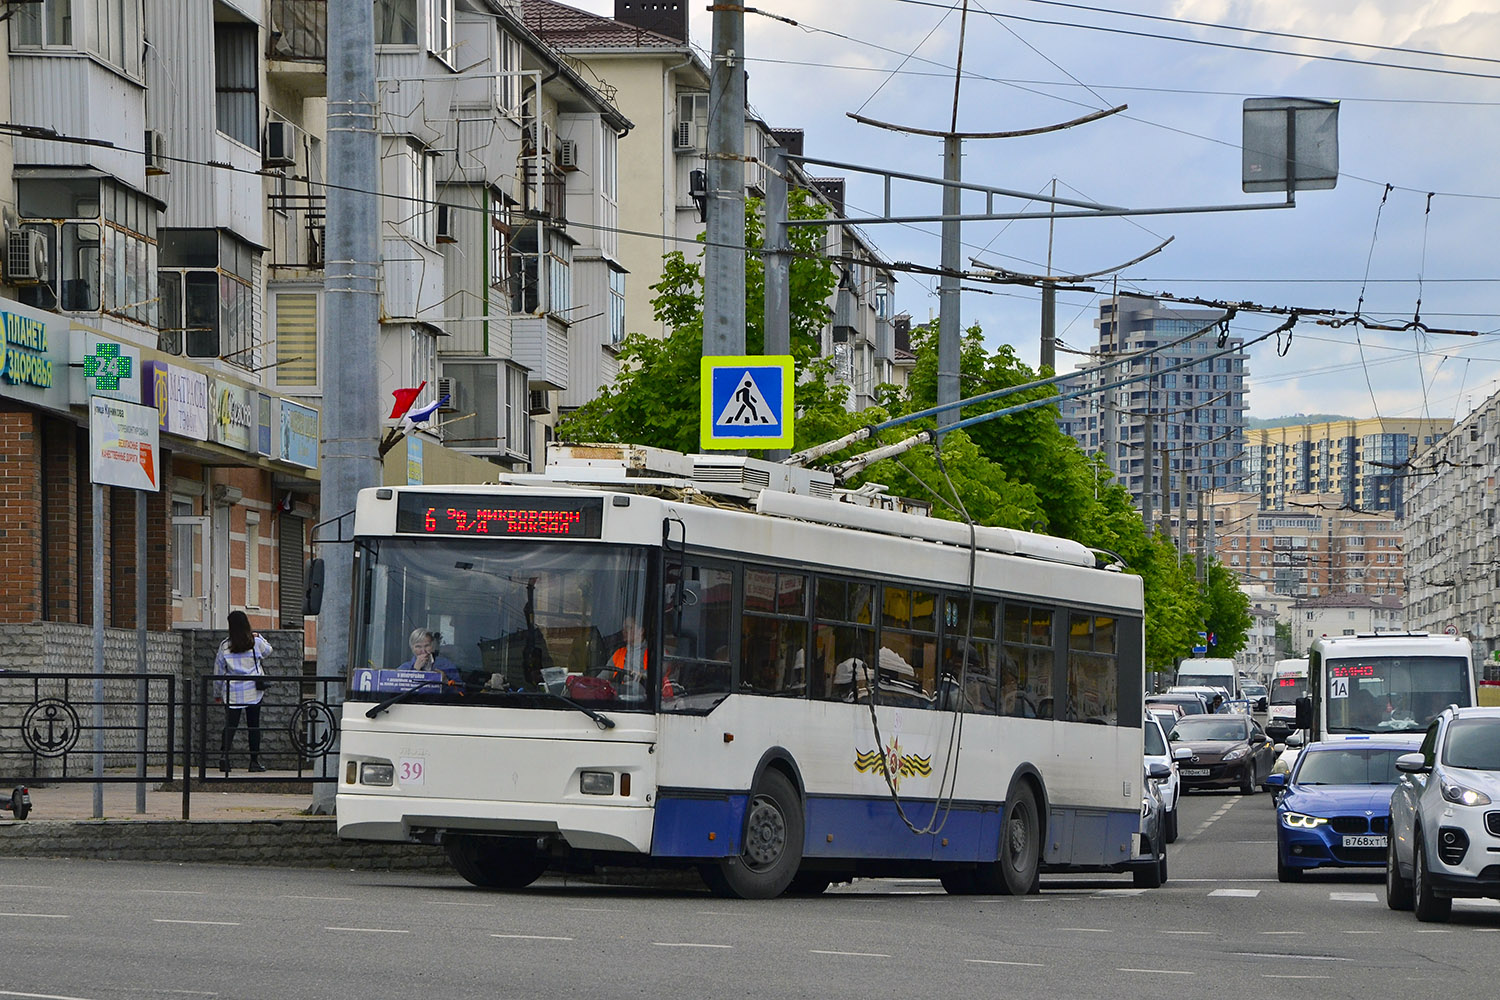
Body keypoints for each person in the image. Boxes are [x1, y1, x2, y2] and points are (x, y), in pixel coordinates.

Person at [214, 610, 272, 773]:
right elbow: (269, 651)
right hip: (253, 690)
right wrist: (260, 636)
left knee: (230, 726)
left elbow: (219, 671)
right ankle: (254, 761)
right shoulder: (255, 642)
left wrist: (217, 693)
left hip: (232, 691)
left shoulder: (225, 646)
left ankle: (224, 757)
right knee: (254, 726)